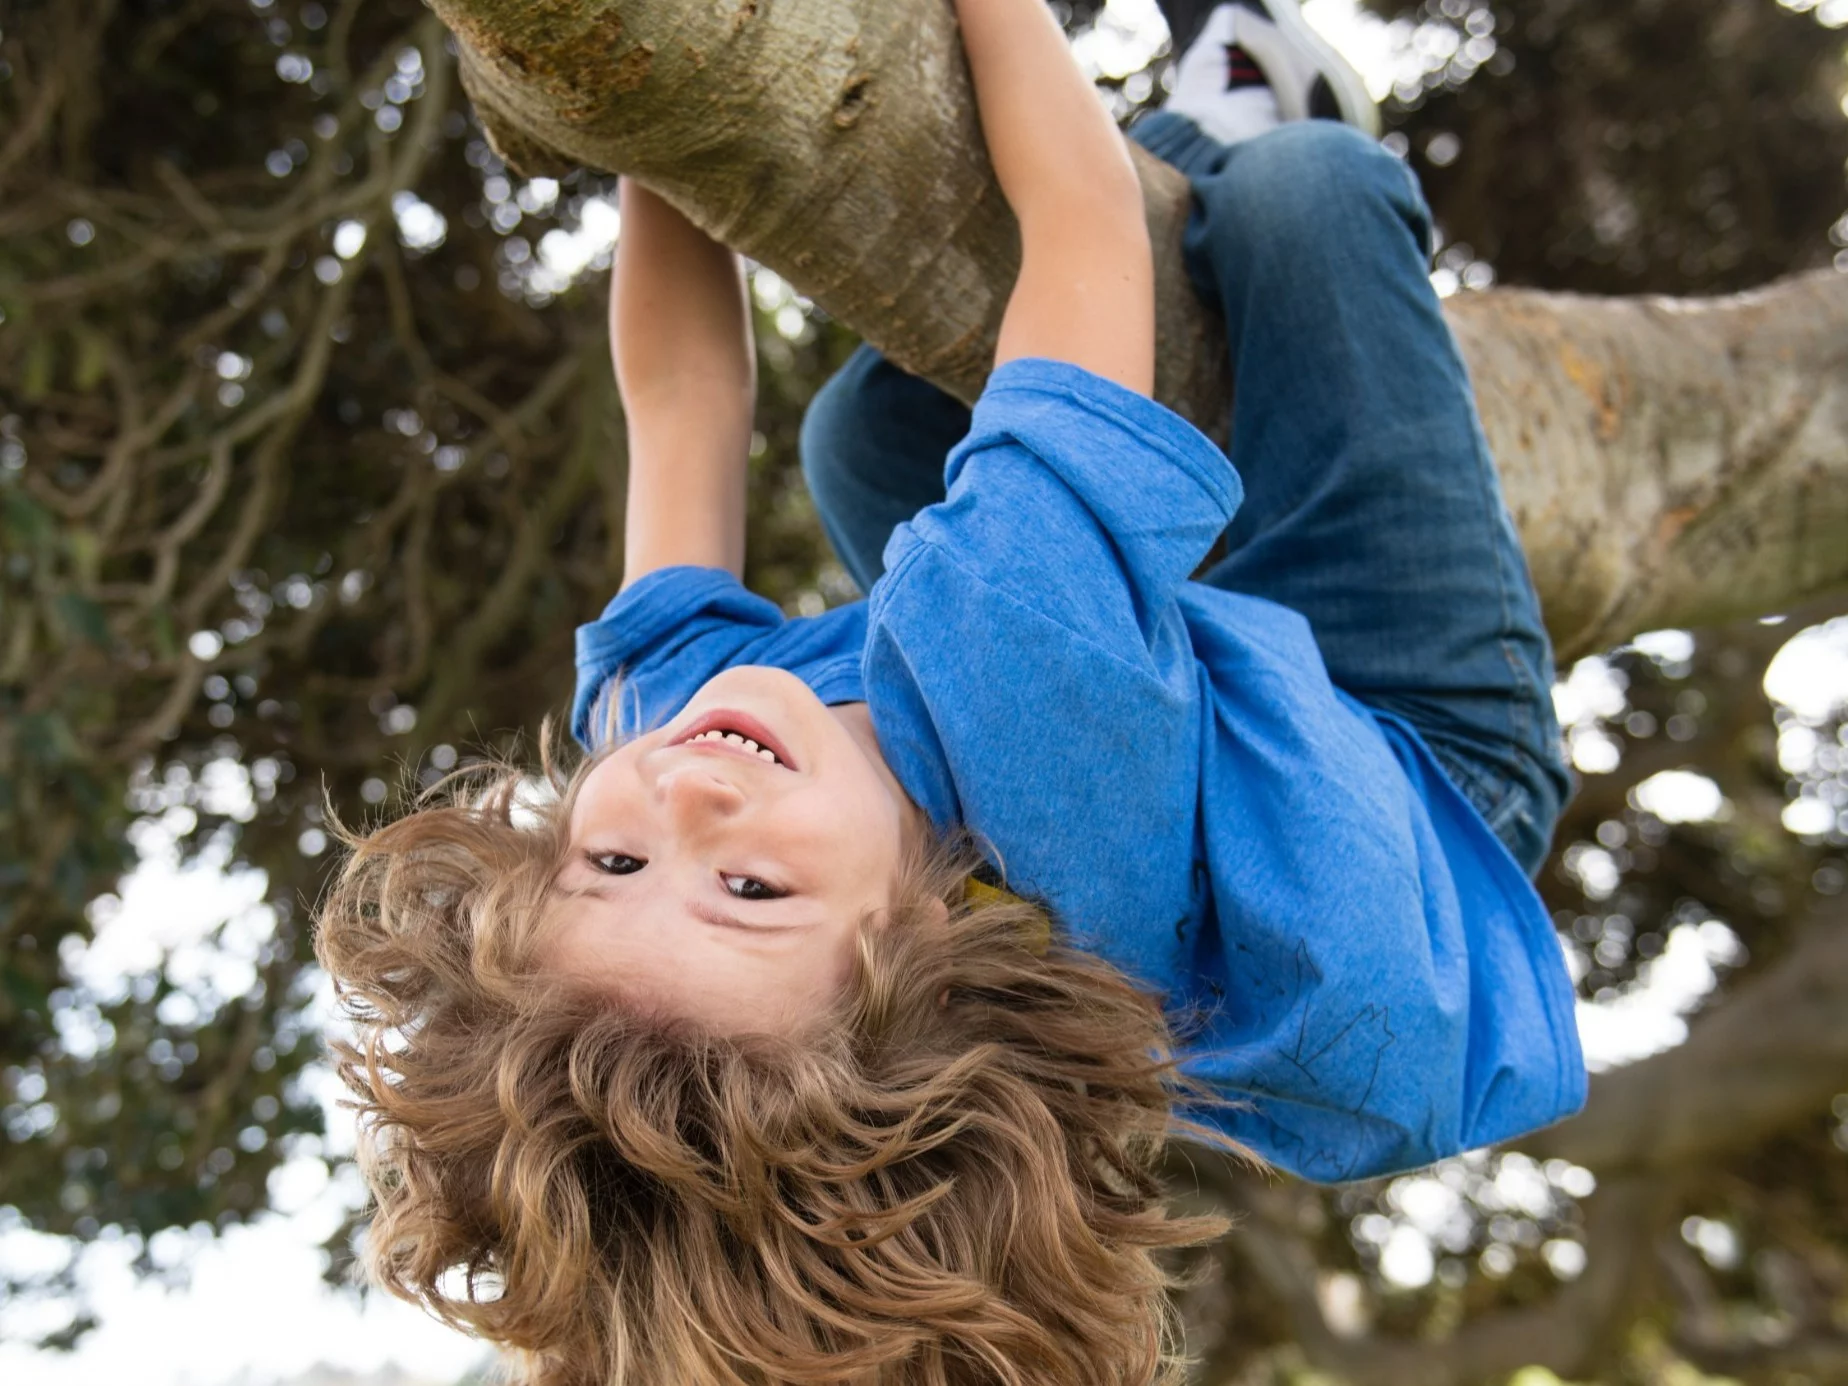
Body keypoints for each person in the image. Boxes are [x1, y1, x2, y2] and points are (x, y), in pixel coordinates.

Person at [314, 0, 1586, 1381]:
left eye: (610, 859)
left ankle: (1133, 470)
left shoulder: (660, 721)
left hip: (1190, 742)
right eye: (750, 891)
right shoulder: (1019, 661)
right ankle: (1243, 101)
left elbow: (681, 394)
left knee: (862, 437)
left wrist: (645, 101)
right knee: (1301, 201)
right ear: (935, 943)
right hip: (1413, 760)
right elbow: (1080, 217)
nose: (686, 792)